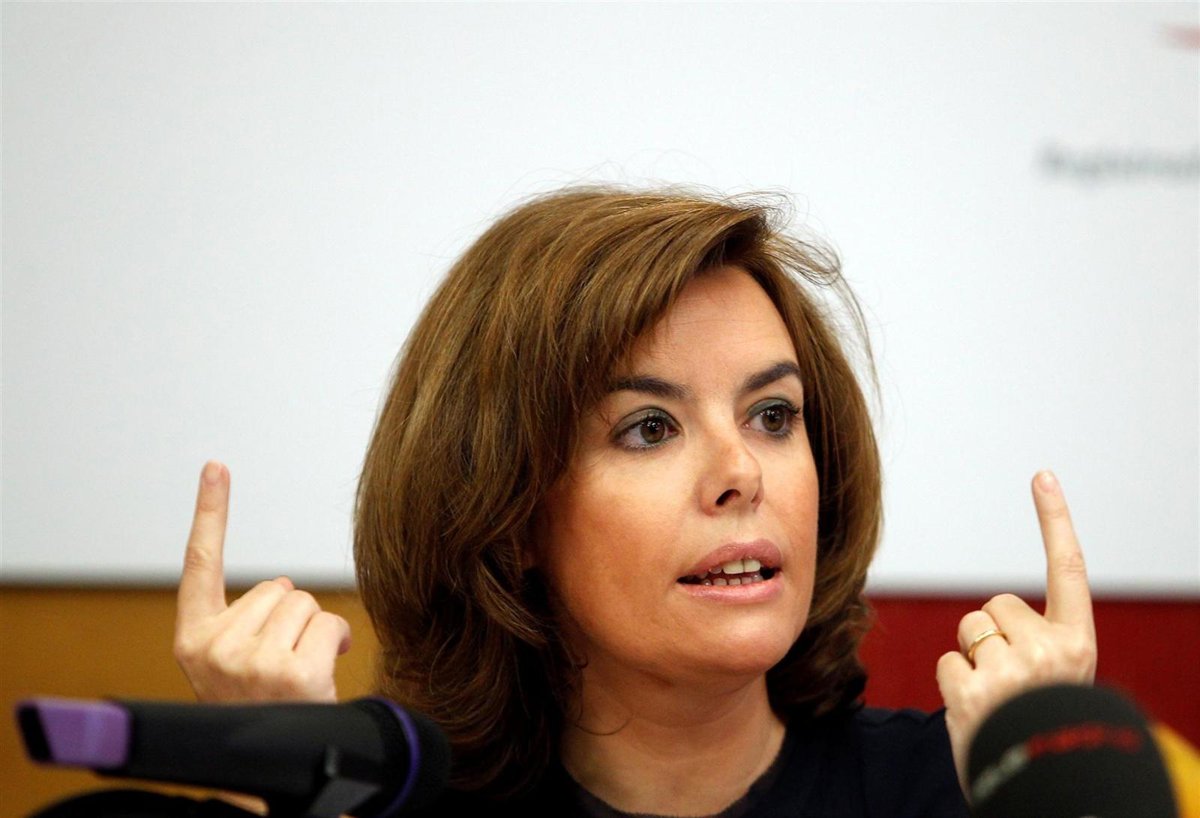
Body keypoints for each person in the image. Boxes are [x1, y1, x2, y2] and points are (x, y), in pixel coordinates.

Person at [173, 185, 1097, 816]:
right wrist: (262, 783)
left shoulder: (961, 787)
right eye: (650, 428)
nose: (742, 470)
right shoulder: (391, 805)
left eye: (773, 415)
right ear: (510, 515)